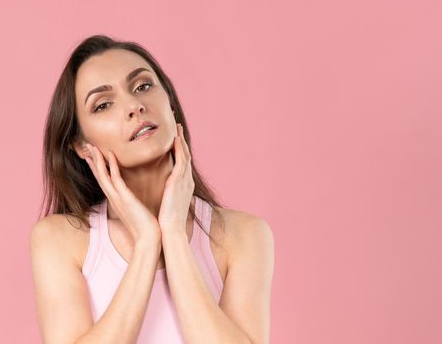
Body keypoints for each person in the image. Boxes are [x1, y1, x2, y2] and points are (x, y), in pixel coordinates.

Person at [29, 34, 274, 344]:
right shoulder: (61, 239)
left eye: (143, 86)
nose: (134, 106)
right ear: (81, 145)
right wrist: (147, 242)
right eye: (103, 104)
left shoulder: (244, 234)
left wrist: (173, 235)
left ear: (169, 103)